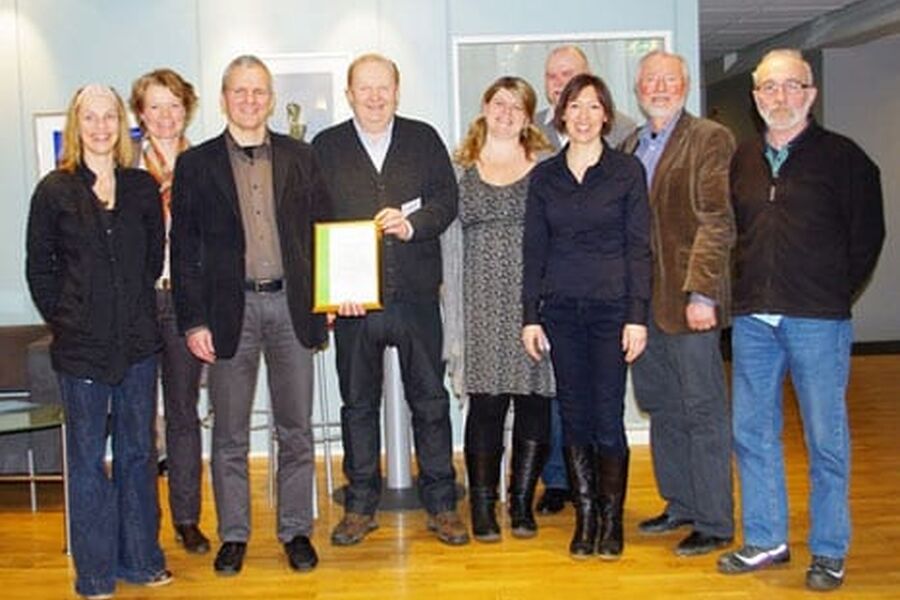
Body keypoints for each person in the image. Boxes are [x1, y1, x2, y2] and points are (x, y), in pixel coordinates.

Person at [717, 49, 885, 592]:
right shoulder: (741, 159)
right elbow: (732, 234)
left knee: (825, 439)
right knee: (752, 433)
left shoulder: (846, 159)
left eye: (791, 86)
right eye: (768, 88)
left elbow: (867, 238)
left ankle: (830, 549)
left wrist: (833, 293)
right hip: (752, 323)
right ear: (755, 97)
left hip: (817, 320)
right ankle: (766, 538)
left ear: (810, 94)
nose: (779, 97)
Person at [170, 55, 331, 576]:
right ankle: (234, 534)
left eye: (258, 91)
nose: (249, 100)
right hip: (227, 313)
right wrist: (193, 321)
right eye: (239, 92)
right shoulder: (197, 165)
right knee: (231, 434)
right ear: (223, 99)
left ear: (269, 96)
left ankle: (295, 531)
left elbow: (322, 231)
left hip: (292, 307)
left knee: (296, 429)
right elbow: (184, 248)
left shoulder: (301, 156)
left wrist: (327, 296)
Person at [312, 53, 468, 547]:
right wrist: (332, 292)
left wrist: (413, 225)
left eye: (384, 88)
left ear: (397, 91)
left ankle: (441, 502)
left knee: (430, 401)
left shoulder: (423, 139)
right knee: (358, 405)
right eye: (365, 88)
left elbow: (447, 201)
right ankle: (360, 504)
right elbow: (312, 219)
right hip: (355, 306)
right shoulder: (326, 146)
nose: (375, 97)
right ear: (350, 94)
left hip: (418, 297)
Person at [26, 84, 171, 599]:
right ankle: (94, 574)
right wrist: (69, 320)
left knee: (137, 455)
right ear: (76, 123)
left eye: (110, 116)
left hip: (136, 346)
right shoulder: (54, 190)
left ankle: (141, 559)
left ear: (122, 124)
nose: (101, 126)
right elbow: (39, 271)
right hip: (80, 351)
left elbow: (153, 260)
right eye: (91, 117)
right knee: (87, 462)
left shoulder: (140, 187)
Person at [522, 73, 651, 560]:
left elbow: (639, 249)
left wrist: (636, 315)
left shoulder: (626, 172)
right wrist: (529, 316)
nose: (582, 116)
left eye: (593, 107)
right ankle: (587, 517)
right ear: (562, 114)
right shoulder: (545, 177)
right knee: (574, 416)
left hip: (612, 312)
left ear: (606, 116)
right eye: (574, 106)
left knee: (607, 416)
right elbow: (534, 251)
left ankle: (612, 520)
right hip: (560, 313)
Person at [622, 50, 736, 556]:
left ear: (685, 85)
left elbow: (717, 220)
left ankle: (713, 520)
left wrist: (703, 292)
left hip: (690, 303)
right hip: (644, 307)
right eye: (650, 80)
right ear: (638, 89)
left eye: (669, 79)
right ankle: (681, 503)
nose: (659, 87)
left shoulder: (709, 139)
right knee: (663, 407)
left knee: (702, 409)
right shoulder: (629, 145)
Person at [443, 76, 554, 542]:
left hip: (536, 304)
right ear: (485, 107)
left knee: (534, 404)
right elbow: (446, 242)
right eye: (499, 103)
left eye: (518, 106)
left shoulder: (549, 166)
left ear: (529, 117)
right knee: (485, 406)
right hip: (479, 304)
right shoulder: (458, 166)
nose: (507, 113)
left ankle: (523, 503)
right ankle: (484, 507)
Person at [129, 68, 210, 555]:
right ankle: (143, 520)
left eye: (174, 105)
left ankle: (186, 518)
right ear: (140, 113)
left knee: (183, 414)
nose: (165, 116)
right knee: (140, 417)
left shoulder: (204, 167)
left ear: (187, 110)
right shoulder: (122, 170)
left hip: (186, 303)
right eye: (155, 106)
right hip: (137, 306)